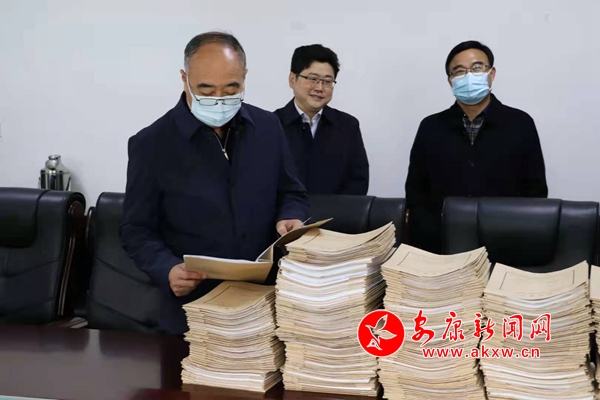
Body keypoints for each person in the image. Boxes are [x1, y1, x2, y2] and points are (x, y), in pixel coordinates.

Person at [119, 32, 309, 335]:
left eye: (231, 88)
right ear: (185, 79)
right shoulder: (151, 144)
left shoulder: (267, 127)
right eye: (206, 89)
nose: (219, 99)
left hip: (265, 303)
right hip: (194, 311)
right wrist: (166, 269)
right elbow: (136, 229)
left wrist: (291, 216)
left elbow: (292, 191)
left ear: (244, 77)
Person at [405, 40, 548, 253]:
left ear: (492, 73)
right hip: (442, 244)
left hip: (507, 242)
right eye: (459, 71)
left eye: (477, 68)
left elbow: (535, 191)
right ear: (450, 81)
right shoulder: (431, 127)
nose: (469, 76)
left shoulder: (520, 123)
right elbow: (416, 191)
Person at [274, 44, 369, 195]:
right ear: (292, 79)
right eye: (313, 79)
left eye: (327, 81)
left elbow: (358, 182)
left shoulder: (348, 126)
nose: (319, 88)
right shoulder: (271, 124)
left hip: (336, 210)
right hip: (284, 210)